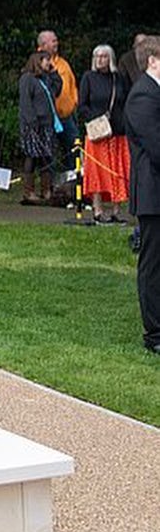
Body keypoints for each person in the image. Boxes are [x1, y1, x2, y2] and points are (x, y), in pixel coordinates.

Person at [123, 34, 160, 354]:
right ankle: (155, 334)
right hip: (153, 192)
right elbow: (156, 146)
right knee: (152, 263)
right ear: (153, 60)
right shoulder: (143, 96)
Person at [79, 43, 131, 223]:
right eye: (97, 56)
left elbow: (126, 102)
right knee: (97, 172)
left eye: (104, 56)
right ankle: (98, 210)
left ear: (111, 59)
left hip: (118, 132)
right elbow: (82, 106)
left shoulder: (119, 78)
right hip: (97, 133)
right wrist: (98, 119)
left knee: (118, 171)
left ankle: (117, 210)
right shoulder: (88, 78)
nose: (100, 60)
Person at [18, 51, 59, 205]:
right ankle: (29, 191)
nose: (48, 62)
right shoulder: (27, 79)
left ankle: (46, 189)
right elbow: (25, 103)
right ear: (37, 61)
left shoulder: (45, 79)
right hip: (32, 125)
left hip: (47, 124)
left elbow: (57, 90)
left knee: (47, 156)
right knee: (32, 157)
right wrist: (32, 122)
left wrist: (54, 72)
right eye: (46, 60)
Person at [37, 30, 78, 184]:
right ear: (42, 45)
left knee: (74, 149)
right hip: (49, 119)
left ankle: (74, 186)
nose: (56, 43)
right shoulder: (37, 63)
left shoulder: (63, 63)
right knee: (50, 153)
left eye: (56, 40)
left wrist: (74, 101)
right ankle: (52, 187)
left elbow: (73, 84)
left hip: (67, 116)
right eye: (53, 41)